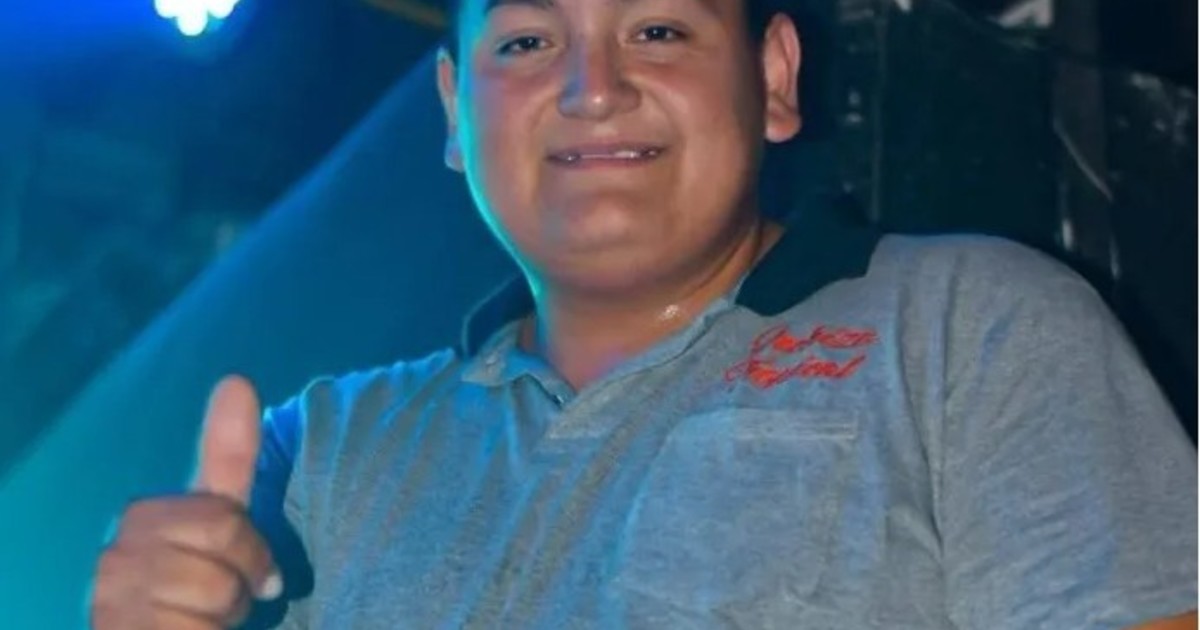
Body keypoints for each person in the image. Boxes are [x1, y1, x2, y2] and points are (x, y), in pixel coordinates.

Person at [89, 0, 1198, 628]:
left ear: (773, 78)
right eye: (527, 42)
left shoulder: (972, 329)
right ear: (454, 112)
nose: (593, 89)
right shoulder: (319, 455)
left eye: (659, 29)